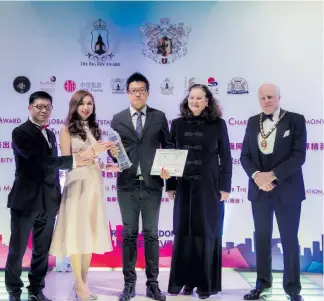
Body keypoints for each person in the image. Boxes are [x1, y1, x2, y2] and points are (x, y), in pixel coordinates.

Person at [5, 91, 95, 301]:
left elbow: (53, 171)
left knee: (42, 251)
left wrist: (57, 196)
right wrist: (73, 161)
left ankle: (36, 290)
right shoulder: (20, 132)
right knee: (17, 251)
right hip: (25, 202)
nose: (44, 110)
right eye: (39, 106)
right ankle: (14, 291)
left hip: (48, 202)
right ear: (30, 108)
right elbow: (39, 162)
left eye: (48, 107)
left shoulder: (52, 134)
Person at [49, 90, 119, 301]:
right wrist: (94, 151)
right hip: (76, 183)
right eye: (82, 103)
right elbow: (66, 162)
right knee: (75, 235)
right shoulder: (65, 129)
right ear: (74, 105)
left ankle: (84, 285)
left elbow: (96, 161)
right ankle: (79, 286)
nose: (86, 107)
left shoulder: (95, 128)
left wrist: (111, 164)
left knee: (88, 235)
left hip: (94, 185)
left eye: (89, 103)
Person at [109, 72, 173, 301]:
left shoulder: (159, 117)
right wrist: (112, 154)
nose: (138, 93)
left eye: (142, 90)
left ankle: (153, 284)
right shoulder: (117, 118)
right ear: (128, 93)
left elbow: (169, 146)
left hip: (152, 184)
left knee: (151, 235)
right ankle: (128, 284)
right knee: (128, 234)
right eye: (134, 90)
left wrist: (169, 171)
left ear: (148, 92)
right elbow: (113, 151)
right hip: (126, 185)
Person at [164, 84, 232, 299]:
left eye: (199, 98)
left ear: (207, 101)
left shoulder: (218, 124)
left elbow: (226, 157)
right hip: (184, 186)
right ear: (187, 100)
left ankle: (205, 284)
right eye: (192, 97)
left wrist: (225, 186)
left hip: (209, 186)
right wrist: (171, 185)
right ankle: (183, 282)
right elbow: (169, 156)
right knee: (184, 232)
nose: (194, 101)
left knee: (206, 232)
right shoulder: (176, 124)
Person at [240, 83, 306, 301]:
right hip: (259, 190)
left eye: (270, 97)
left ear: (279, 97)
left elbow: (298, 156)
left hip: (287, 190)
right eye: (262, 98)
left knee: (289, 239)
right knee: (261, 239)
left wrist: (273, 175)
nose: (266, 101)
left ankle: (293, 289)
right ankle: (262, 284)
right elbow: (245, 157)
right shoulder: (252, 122)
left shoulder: (295, 120)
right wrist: (258, 177)